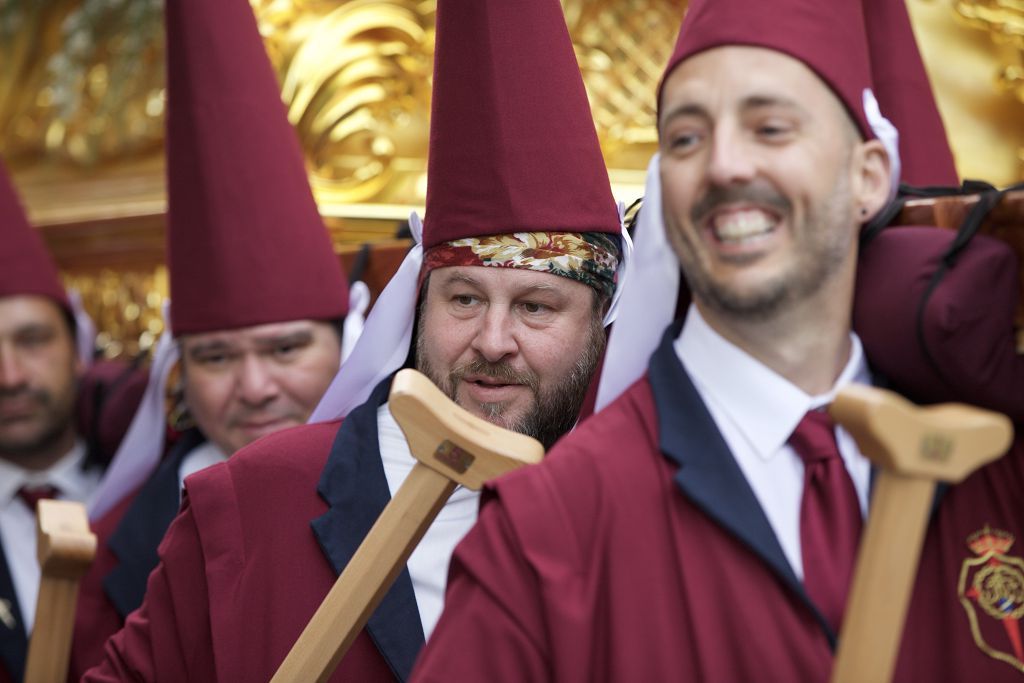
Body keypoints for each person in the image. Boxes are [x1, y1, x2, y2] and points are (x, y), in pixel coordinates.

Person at [411, 0, 1024, 681]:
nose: (724, 164)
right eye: (685, 138)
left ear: (868, 177)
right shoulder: (548, 533)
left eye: (769, 126)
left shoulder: (995, 468)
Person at [82, 0, 627, 679]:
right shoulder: (251, 504)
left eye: (537, 307)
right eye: (462, 298)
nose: (492, 340)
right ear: (418, 306)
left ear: (600, 323)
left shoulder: (648, 518)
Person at [66, 0, 363, 675]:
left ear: (348, 345)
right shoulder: (105, 560)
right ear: (177, 373)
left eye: (287, 349)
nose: (255, 388)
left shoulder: (422, 505)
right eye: (216, 357)